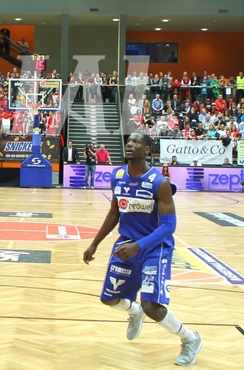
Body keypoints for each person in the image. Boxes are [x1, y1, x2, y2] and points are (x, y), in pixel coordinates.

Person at [83, 132, 202, 366]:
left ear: (147, 150)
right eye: (128, 141)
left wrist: (140, 245)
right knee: (108, 299)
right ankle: (133, 311)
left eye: (136, 142)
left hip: (154, 248)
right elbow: (114, 214)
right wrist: (94, 242)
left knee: (152, 306)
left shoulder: (160, 183)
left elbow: (170, 226)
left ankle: (190, 339)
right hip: (126, 245)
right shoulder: (117, 176)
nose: (130, 144)